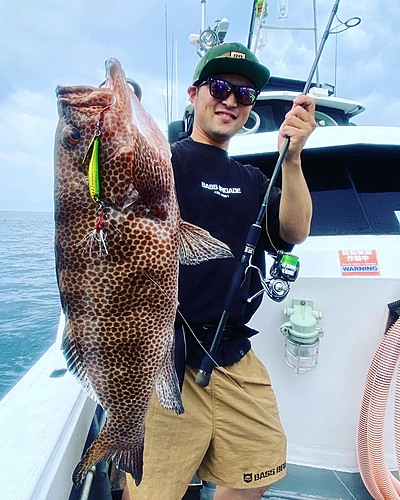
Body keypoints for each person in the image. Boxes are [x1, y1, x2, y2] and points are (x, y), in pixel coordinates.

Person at [124, 42, 316, 500]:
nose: (231, 100)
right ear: (194, 93)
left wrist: (291, 159)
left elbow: (295, 230)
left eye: (244, 95)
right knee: (150, 490)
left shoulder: (253, 179)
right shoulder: (160, 164)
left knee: (257, 473)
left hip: (233, 354)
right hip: (162, 355)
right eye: (220, 86)